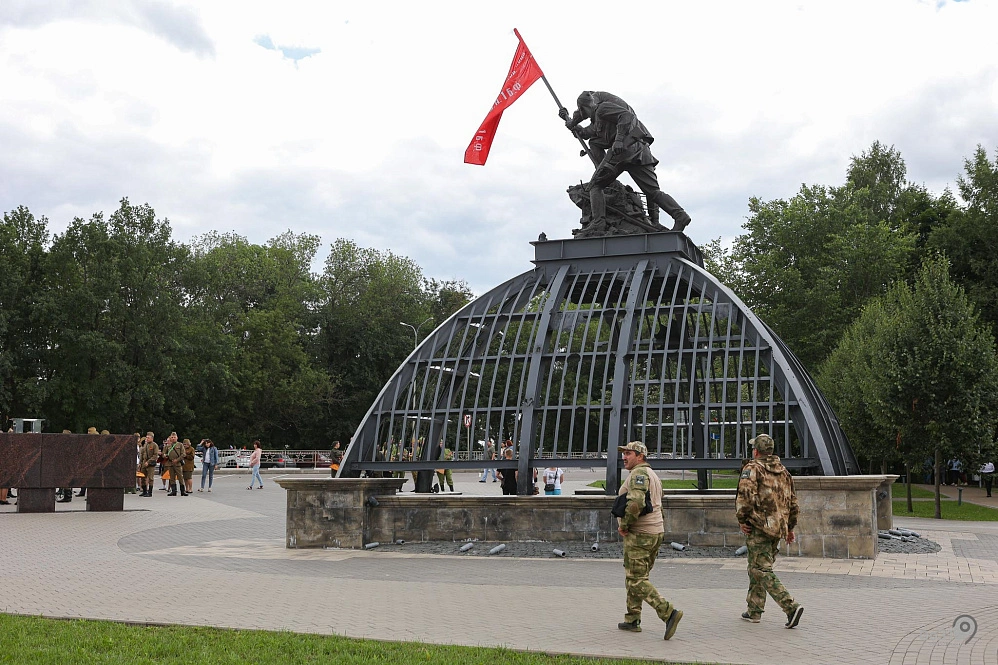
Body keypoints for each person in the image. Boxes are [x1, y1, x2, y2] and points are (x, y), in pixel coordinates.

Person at [560, 91, 691, 233]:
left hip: (626, 152)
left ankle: (598, 224)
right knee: (653, 192)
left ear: (583, 108)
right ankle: (680, 215)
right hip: (636, 151)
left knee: (596, 187)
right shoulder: (598, 120)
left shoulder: (602, 108)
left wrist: (618, 140)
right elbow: (585, 133)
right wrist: (569, 122)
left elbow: (627, 116)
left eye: (581, 111)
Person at [615, 441, 683, 640]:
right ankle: (632, 618)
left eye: (628, 453)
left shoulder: (639, 474)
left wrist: (625, 525)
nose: (624, 457)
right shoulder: (652, 474)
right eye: (623, 453)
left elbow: (635, 503)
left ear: (640, 456)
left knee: (636, 580)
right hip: (654, 532)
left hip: (640, 534)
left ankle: (668, 612)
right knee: (637, 576)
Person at [736, 433, 804, 629]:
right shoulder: (784, 472)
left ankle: (790, 606)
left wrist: (742, 520)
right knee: (757, 567)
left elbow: (745, 497)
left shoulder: (752, 469)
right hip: (778, 527)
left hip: (758, 527)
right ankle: (754, 610)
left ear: (756, 451)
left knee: (761, 570)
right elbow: (793, 503)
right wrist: (790, 527)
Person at [163, 432, 187, 496]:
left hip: (178, 463)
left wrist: (177, 460)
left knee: (180, 477)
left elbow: (183, 454)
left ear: (177, 438)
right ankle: (174, 491)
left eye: (174, 437)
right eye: (172, 437)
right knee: (172, 477)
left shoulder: (180, 445)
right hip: (170, 463)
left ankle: (183, 491)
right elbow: (164, 453)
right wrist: (165, 455)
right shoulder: (168, 446)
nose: (173, 438)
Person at [139, 432, 160, 497]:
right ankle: (144, 491)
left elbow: (155, 455)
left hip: (150, 464)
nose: (147, 439)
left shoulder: (154, 445)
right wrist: (140, 463)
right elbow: (142, 454)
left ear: (152, 438)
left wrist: (148, 462)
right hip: (144, 463)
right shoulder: (145, 445)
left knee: (150, 478)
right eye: (146, 437)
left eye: (148, 438)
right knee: (142, 477)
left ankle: (150, 492)